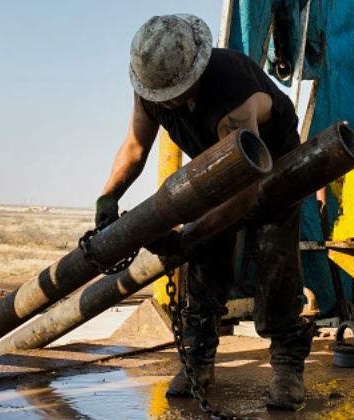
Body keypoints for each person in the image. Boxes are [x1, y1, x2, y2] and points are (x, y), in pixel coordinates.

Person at [95, 14, 313, 410]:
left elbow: (245, 193)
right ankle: (198, 361)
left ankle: (287, 367)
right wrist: (108, 198)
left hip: (274, 164)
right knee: (206, 261)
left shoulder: (232, 94)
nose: (167, 103)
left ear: (194, 72)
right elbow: (135, 148)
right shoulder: (151, 89)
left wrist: (187, 236)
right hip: (218, 163)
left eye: (174, 94)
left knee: (274, 255)